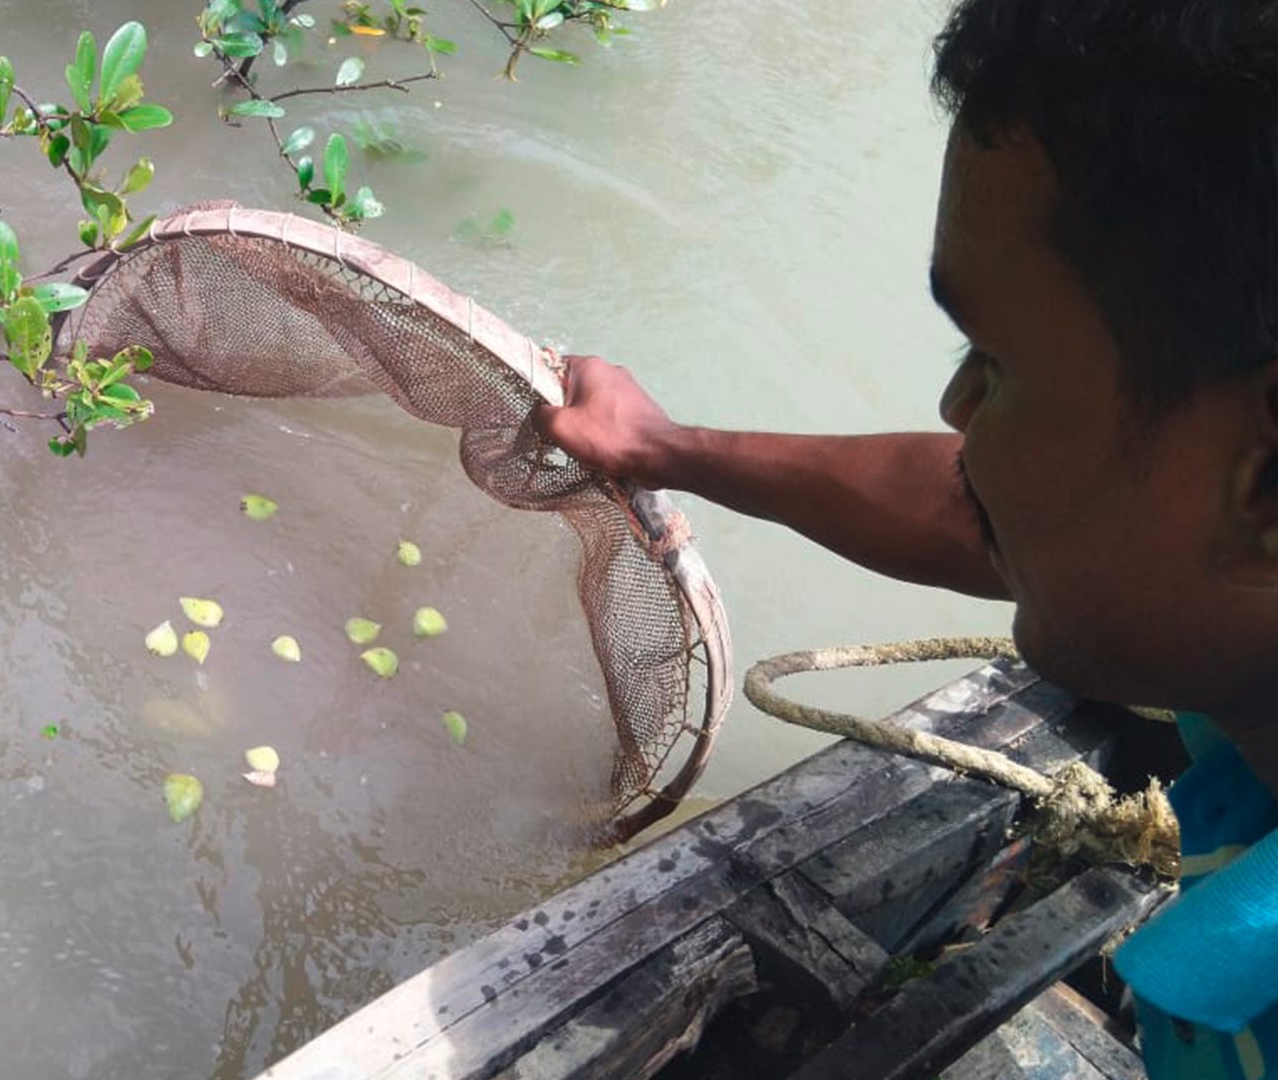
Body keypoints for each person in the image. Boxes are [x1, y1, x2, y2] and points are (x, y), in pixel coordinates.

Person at [532, 0, 1278, 1076]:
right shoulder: (1206, 549)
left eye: (996, 364)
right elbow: (997, 507)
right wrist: (664, 445)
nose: (954, 405)